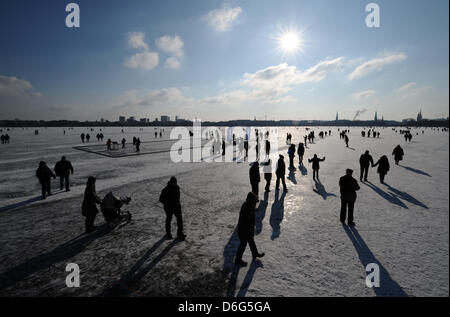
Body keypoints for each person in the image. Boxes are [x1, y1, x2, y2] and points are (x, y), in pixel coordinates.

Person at [234, 192, 265, 267]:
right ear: (251, 200)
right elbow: (246, 222)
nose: (255, 203)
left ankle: (255, 253)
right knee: (243, 245)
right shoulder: (247, 208)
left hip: (247, 230)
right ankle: (238, 260)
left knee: (251, 242)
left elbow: (250, 221)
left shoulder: (249, 206)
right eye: (254, 201)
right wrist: (250, 231)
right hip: (244, 231)